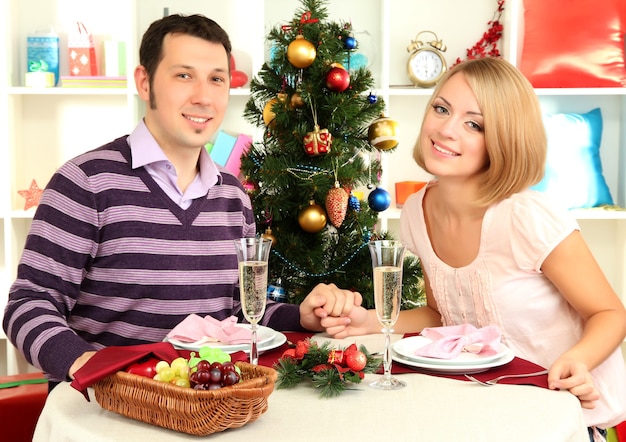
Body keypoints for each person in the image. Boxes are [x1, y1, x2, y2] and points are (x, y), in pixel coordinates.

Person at [2, 14, 357, 391]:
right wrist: (88, 365)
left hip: (206, 409)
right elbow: (28, 305)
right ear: (145, 82)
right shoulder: (85, 182)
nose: (203, 96)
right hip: (106, 409)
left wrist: (301, 316)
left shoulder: (233, 197)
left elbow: (235, 316)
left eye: (216, 79)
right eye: (184, 75)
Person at [320, 57, 626, 438]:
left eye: (474, 124)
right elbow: (442, 315)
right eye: (441, 108)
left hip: (561, 415)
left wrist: (578, 361)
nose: (446, 129)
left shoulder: (527, 217)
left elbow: (610, 312)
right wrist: (372, 320)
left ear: (504, 138)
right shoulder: (418, 211)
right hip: (485, 411)